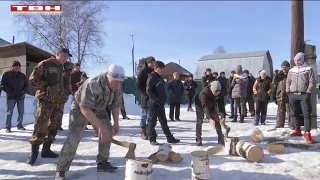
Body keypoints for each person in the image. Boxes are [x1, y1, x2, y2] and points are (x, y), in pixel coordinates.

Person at [55, 64, 125, 179]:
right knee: (74, 137)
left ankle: (102, 162)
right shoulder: (94, 83)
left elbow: (115, 105)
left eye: (120, 82)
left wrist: (116, 123)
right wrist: (98, 126)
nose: (118, 84)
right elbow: (85, 108)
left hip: (99, 108)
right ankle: (61, 169)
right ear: (109, 77)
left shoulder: (117, 87)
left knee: (107, 131)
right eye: (116, 81)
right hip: (80, 108)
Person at [26, 48, 73, 165]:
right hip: (46, 101)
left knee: (55, 126)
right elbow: (33, 80)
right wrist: (46, 86)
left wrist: (67, 91)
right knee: (40, 126)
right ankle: (34, 153)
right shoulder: (46, 64)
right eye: (63, 56)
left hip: (59, 102)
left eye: (67, 57)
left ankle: (46, 150)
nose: (65, 58)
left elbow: (67, 83)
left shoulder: (67, 68)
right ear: (57, 54)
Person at [146, 61, 180, 145]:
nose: (162, 70)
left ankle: (169, 138)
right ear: (155, 68)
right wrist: (156, 99)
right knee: (152, 122)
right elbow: (148, 91)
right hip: (154, 104)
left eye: (162, 69)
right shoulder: (151, 77)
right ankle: (152, 139)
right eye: (160, 69)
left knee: (164, 122)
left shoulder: (160, 78)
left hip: (160, 104)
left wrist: (163, 100)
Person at [286, 52, 316, 144]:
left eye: (298, 60)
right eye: (295, 60)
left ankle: (307, 133)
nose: (297, 62)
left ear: (302, 60)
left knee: (306, 113)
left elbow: (312, 81)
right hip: (293, 94)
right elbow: (288, 81)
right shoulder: (291, 70)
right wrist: (288, 91)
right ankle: (297, 129)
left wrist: (308, 92)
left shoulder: (308, 69)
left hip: (304, 94)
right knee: (294, 113)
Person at [195, 81, 230, 146]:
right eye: (215, 92)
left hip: (212, 104)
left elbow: (221, 106)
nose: (216, 94)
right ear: (211, 89)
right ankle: (198, 138)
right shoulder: (204, 93)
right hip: (200, 105)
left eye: (218, 93)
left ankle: (220, 137)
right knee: (199, 121)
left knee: (216, 119)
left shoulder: (220, 93)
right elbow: (205, 107)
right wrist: (210, 119)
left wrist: (223, 117)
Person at [1, 60, 28, 132]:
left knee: (21, 112)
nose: (18, 68)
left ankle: (19, 125)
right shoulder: (7, 74)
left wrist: (23, 91)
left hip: (20, 96)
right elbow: (3, 84)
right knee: (9, 112)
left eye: (19, 66)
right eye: (16, 66)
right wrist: (10, 92)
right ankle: (8, 127)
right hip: (11, 96)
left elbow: (26, 85)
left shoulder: (22, 75)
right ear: (13, 67)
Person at [136, 56, 155, 140]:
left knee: (150, 116)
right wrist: (145, 92)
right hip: (145, 97)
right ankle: (143, 131)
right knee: (144, 115)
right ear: (148, 63)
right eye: (151, 63)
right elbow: (138, 84)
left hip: (153, 97)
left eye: (154, 63)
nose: (153, 64)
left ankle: (149, 130)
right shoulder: (142, 72)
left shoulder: (154, 72)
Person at [273, 61, 291, 128]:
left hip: (288, 96)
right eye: (283, 67)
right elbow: (273, 83)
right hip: (280, 96)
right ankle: (279, 125)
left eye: (286, 67)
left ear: (289, 67)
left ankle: (291, 124)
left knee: (290, 112)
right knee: (280, 111)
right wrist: (275, 75)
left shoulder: (291, 74)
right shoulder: (279, 75)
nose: (284, 68)